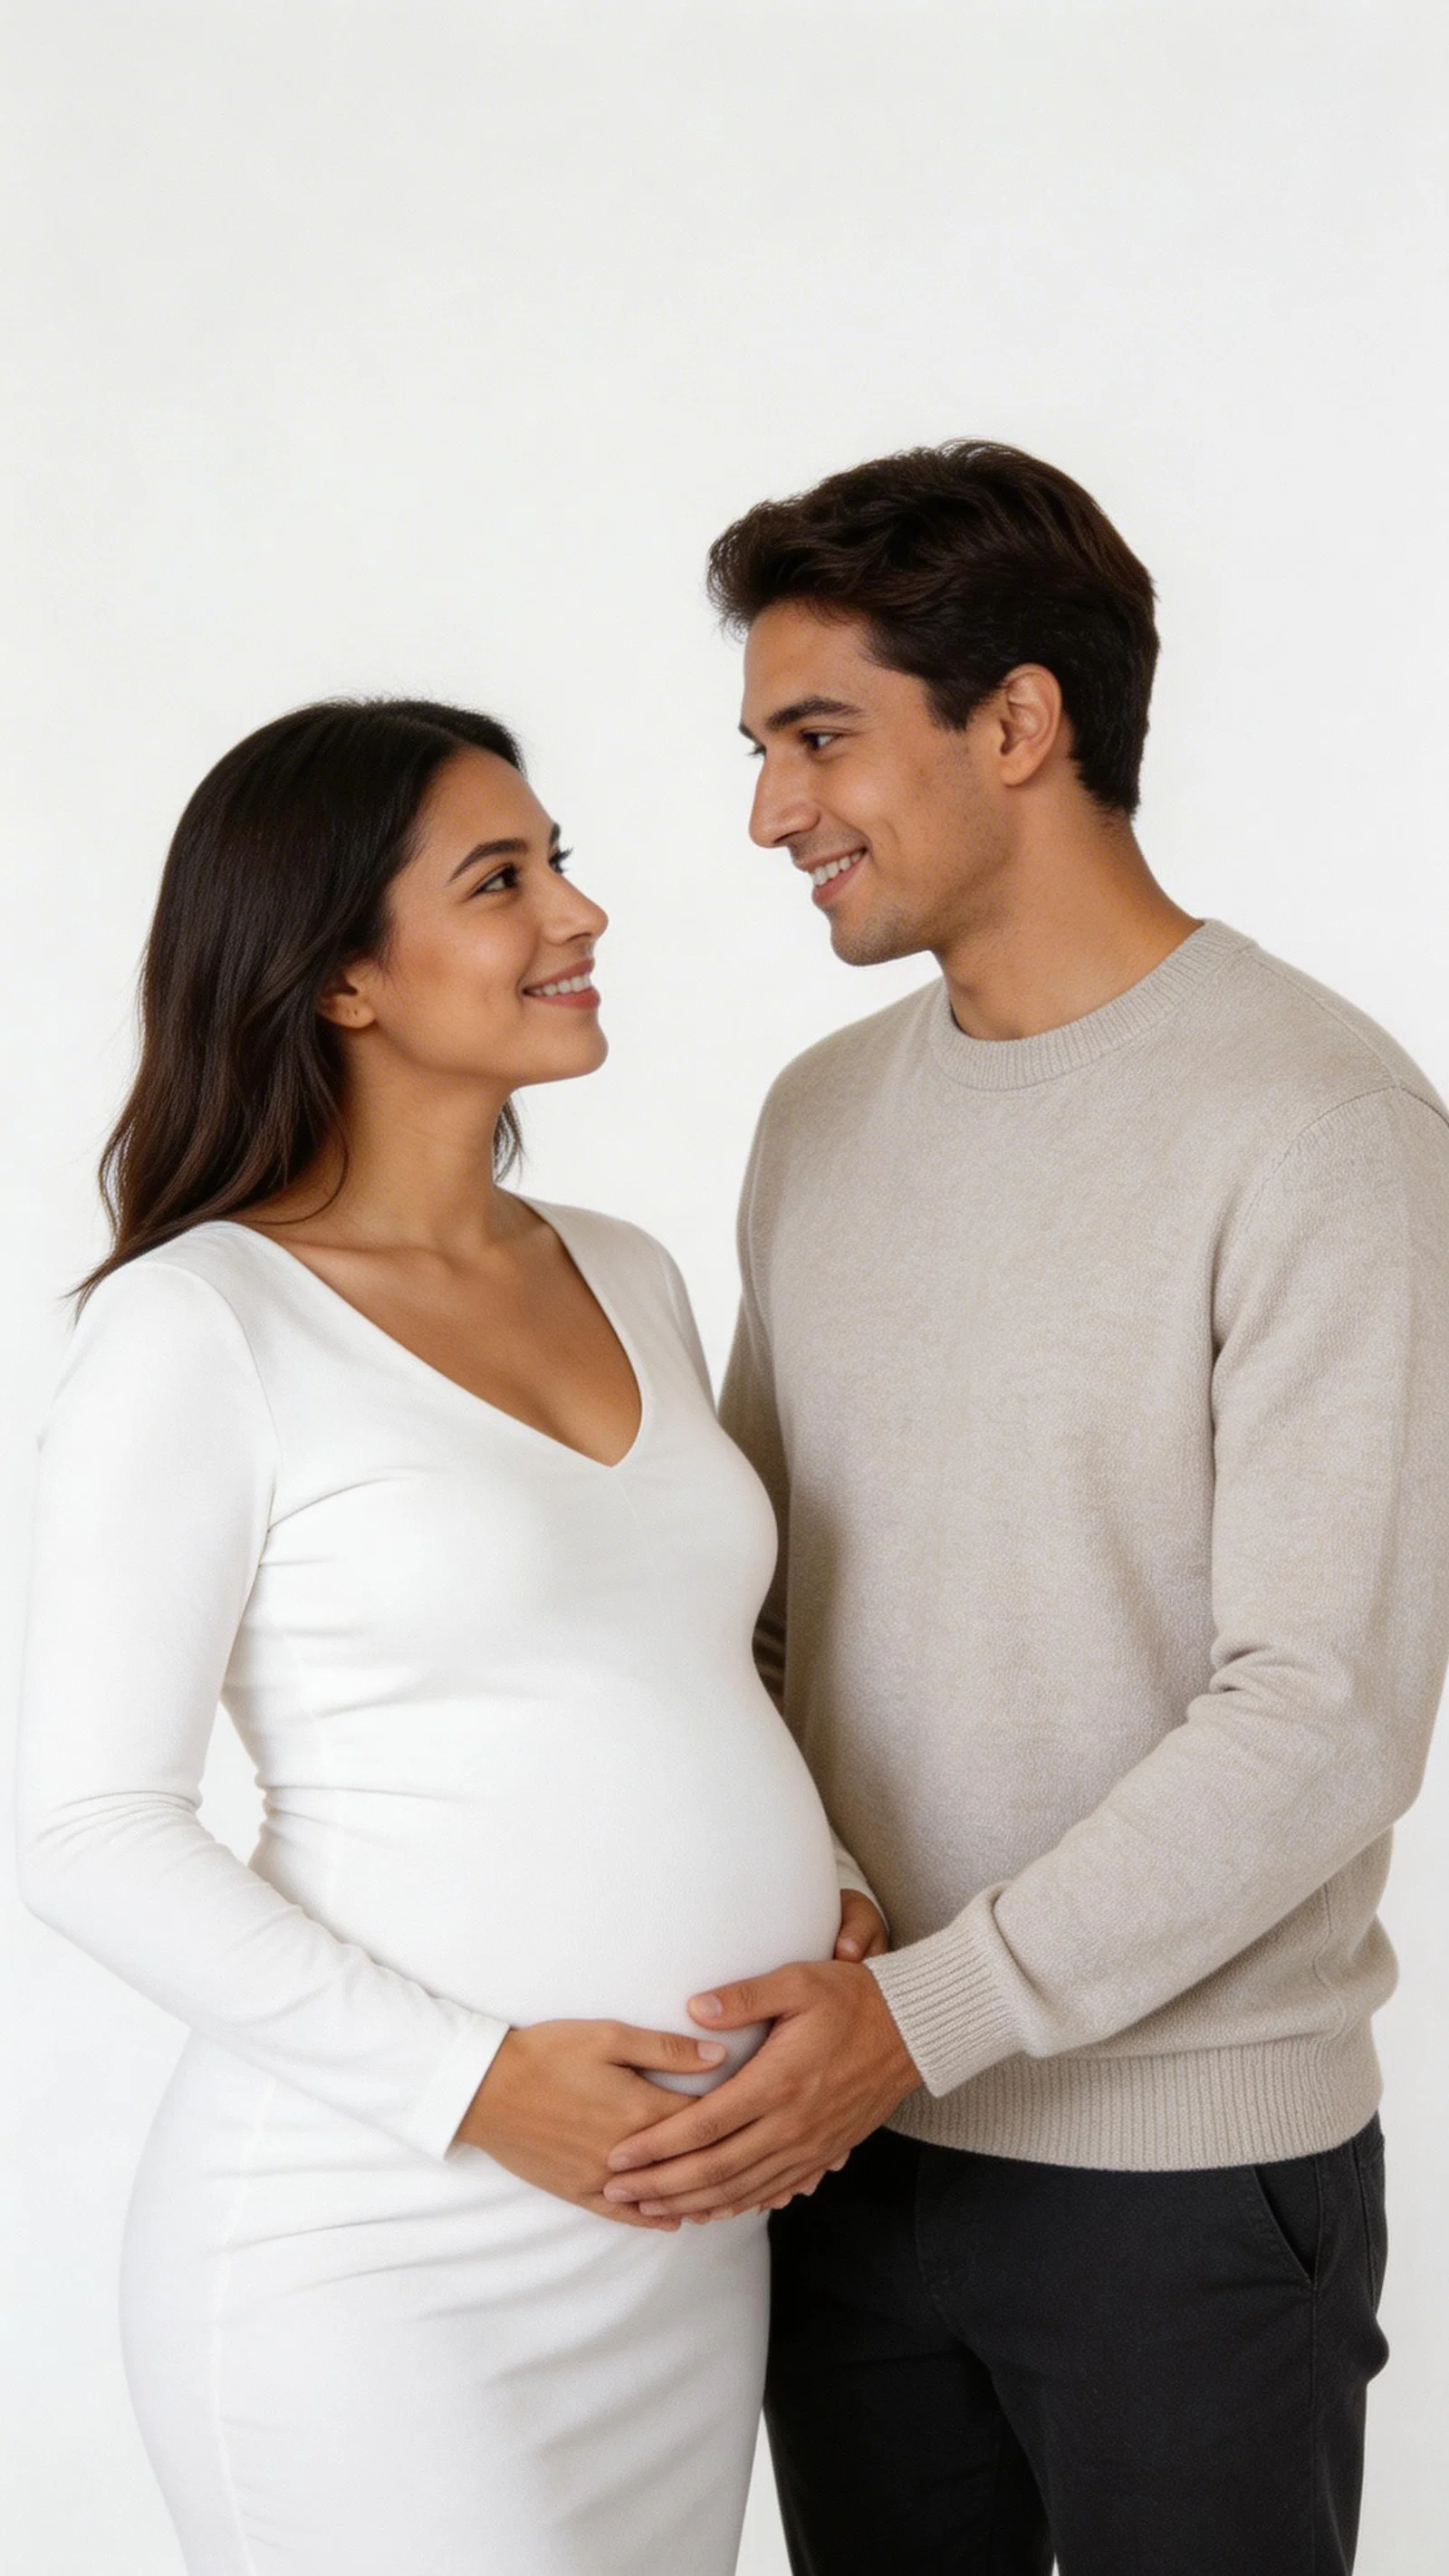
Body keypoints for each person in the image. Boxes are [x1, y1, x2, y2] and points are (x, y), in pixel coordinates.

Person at [600, 443, 1449, 2573]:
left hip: (1173, 2185)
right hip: (840, 2149)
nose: (768, 814)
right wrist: (832, 1994)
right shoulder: (816, 1121)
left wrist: (925, 2016)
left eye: (817, 739)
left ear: (1014, 720)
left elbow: (1319, 1714)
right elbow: (766, 1614)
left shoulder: (1320, 1127)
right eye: (763, 748)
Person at [15, 697, 887, 2576]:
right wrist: (475, 2088)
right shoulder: (201, 1325)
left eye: (560, 861)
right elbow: (83, 1826)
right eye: (502, 880)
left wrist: (824, 1878)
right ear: (338, 976)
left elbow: (673, 1653)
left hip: (675, 2243)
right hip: (379, 2248)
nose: (577, 915)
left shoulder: (625, 1269)